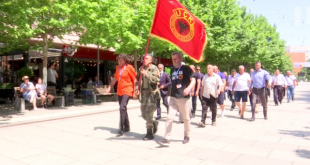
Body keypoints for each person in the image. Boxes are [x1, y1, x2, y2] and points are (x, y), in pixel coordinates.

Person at [157, 52, 195, 147]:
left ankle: (187, 135)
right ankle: (167, 138)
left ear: (180, 59)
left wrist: (188, 88)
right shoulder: (173, 69)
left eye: (175, 59)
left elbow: (193, 80)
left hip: (184, 99)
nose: (173, 60)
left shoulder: (186, 68)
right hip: (173, 97)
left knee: (186, 118)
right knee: (169, 117)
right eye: (172, 59)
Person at [106, 54, 137, 135]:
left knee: (122, 107)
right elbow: (116, 78)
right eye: (118, 60)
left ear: (125, 60)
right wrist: (110, 86)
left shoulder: (129, 67)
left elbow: (134, 80)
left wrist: (135, 91)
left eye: (121, 60)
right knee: (123, 108)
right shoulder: (117, 68)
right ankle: (127, 126)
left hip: (128, 89)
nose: (119, 61)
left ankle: (121, 128)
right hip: (120, 90)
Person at [136, 54, 160, 140]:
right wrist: (137, 89)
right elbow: (138, 80)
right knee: (143, 114)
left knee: (149, 113)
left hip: (151, 94)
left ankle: (149, 133)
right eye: (143, 58)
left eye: (146, 58)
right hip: (143, 93)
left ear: (151, 60)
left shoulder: (154, 68)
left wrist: (146, 74)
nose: (144, 59)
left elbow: (156, 80)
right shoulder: (140, 68)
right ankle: (154, 123)